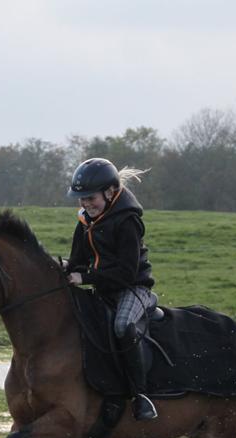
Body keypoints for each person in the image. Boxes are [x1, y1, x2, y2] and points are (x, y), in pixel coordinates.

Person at [64, 158, 158, 421]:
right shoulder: (85, 221)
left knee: (121, 326)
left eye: (90, 198)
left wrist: (83, 278)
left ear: (110, 192)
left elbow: (126, 273)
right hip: (104, 288)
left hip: (133, 288)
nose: (85, 204)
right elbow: (77, 261)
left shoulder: (127, 221)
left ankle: (141, 396)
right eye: (81, 199)